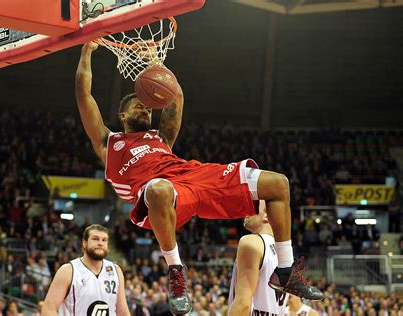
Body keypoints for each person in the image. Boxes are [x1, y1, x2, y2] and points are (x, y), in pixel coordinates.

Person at [76, 41, 323, 314]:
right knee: (159, 189)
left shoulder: (161, 138)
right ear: (122, 115)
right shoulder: (108, 143)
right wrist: (87, 51)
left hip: (193, 176)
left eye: (147, 108)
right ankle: (176, 275)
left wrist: (154, 64)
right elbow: (84, 95)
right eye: (138, 107)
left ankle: (286, 271)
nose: (145, 110)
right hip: (159, 196)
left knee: (278, 184)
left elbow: (176, 96)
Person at [42, 224, 129, 316]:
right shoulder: (68, 271)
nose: (100, 243)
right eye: (95, 239)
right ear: (84, 242)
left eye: (104, 240)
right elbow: (49, 310)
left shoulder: (116, 271)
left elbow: (123, 312)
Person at [228, 201, 288, 316]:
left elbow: (243, 304)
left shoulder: (252, 242)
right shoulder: (286, 256)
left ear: (267, 215)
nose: (246, 209)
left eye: (253, 205)